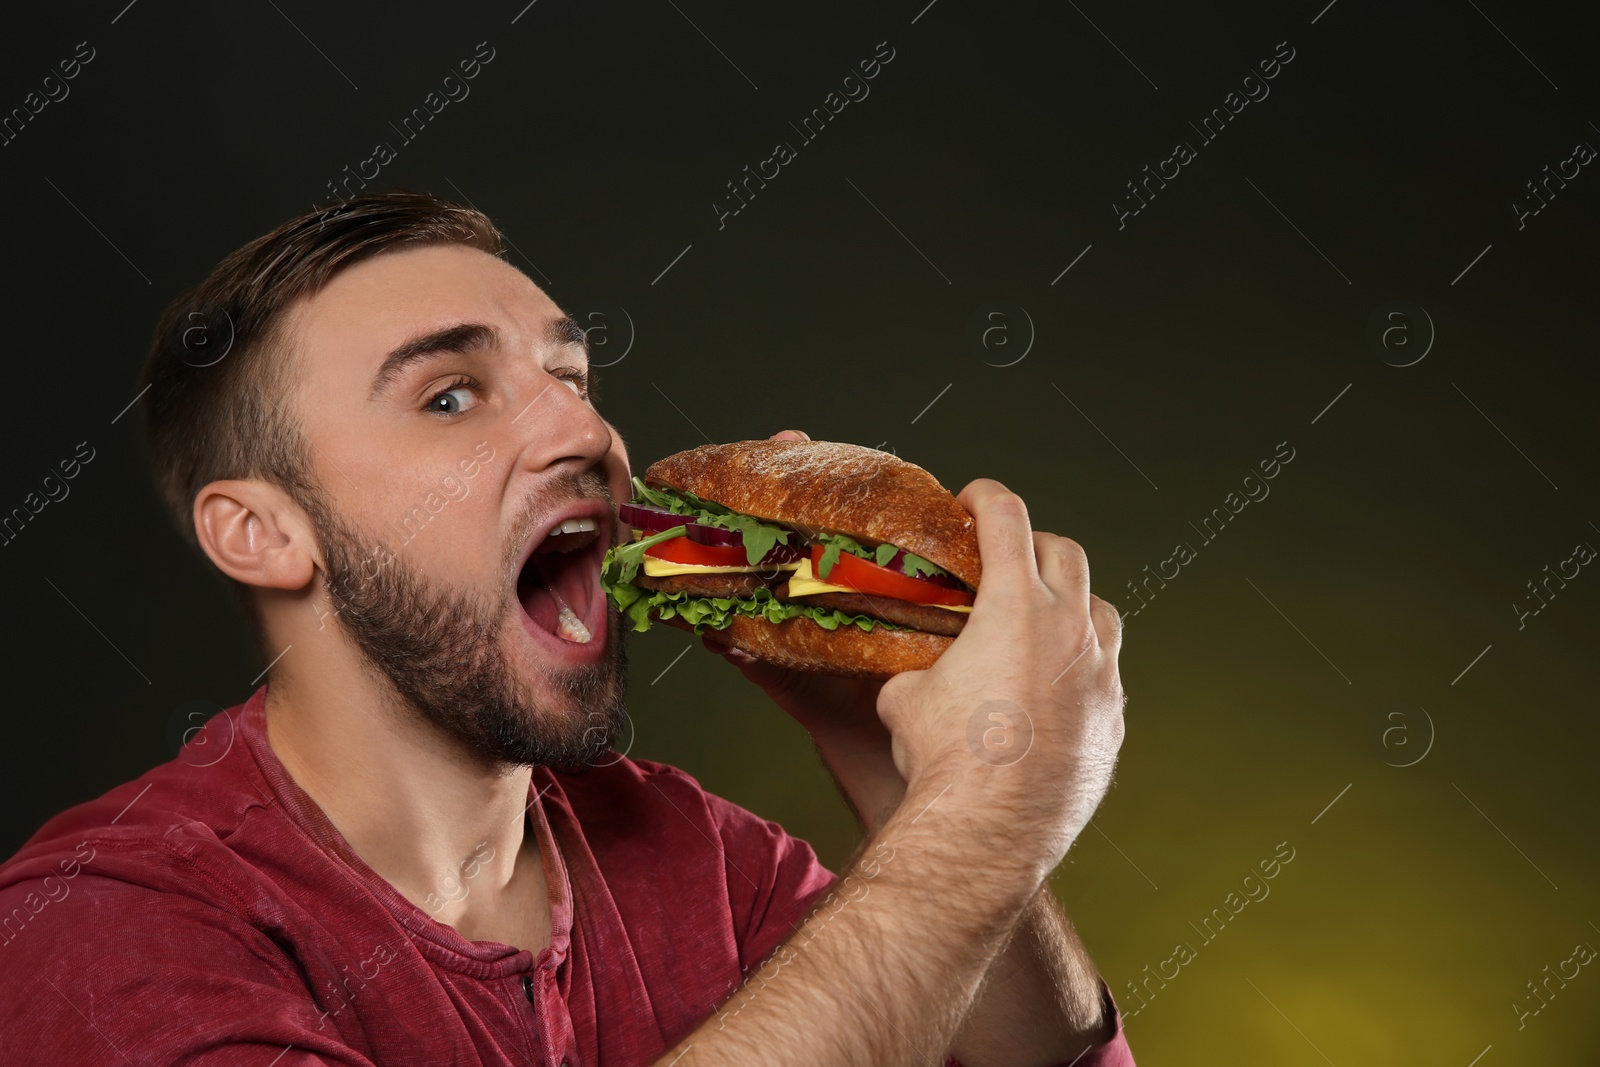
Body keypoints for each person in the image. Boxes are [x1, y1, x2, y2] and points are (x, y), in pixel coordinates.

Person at [0, 192, 1134, 1065]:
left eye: (569, 372)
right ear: (261, 531)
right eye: (449, 394)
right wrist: (982, 820)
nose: (585, 429)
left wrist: (888, 765)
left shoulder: (692, 852)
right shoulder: (94, 932)